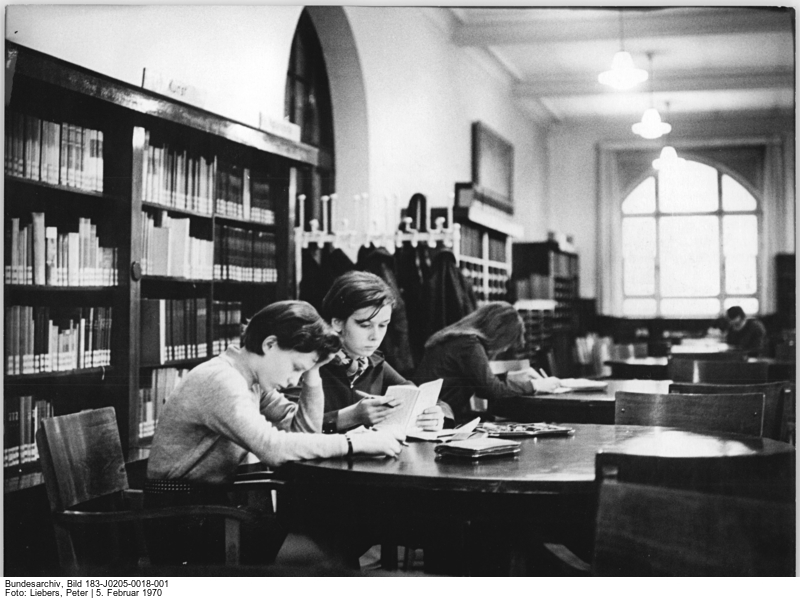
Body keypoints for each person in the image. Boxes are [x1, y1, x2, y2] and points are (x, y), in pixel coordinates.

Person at [144, 300, 402, 565]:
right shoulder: (222, 380)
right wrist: (352, 442)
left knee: (344, 536)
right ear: (270, 344)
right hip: (183, 521)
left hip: (211, 511)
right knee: (337, 546)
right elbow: (273, 448)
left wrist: (313, 375)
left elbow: (304, 430)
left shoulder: (249, 379)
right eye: (295, 367)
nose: (293, 381)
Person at [319, 270, 444, 433]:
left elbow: (417, 394)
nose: (375, 336)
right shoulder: (308, 363)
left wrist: (436, 414)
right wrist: (351, 416)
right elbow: (288, 424)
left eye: (383, 325)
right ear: (337, 323)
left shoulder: (374, 362)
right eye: (364, 325)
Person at [412, 301, 561, 425]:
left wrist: (511, 376)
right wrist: (536, 385)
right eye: (507, 343)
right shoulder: (469, 344)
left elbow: (479, 380)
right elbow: (491, 390)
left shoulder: (459, 338)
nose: (505, 348)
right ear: (499, 334)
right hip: (435, 419)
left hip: (431, 415)